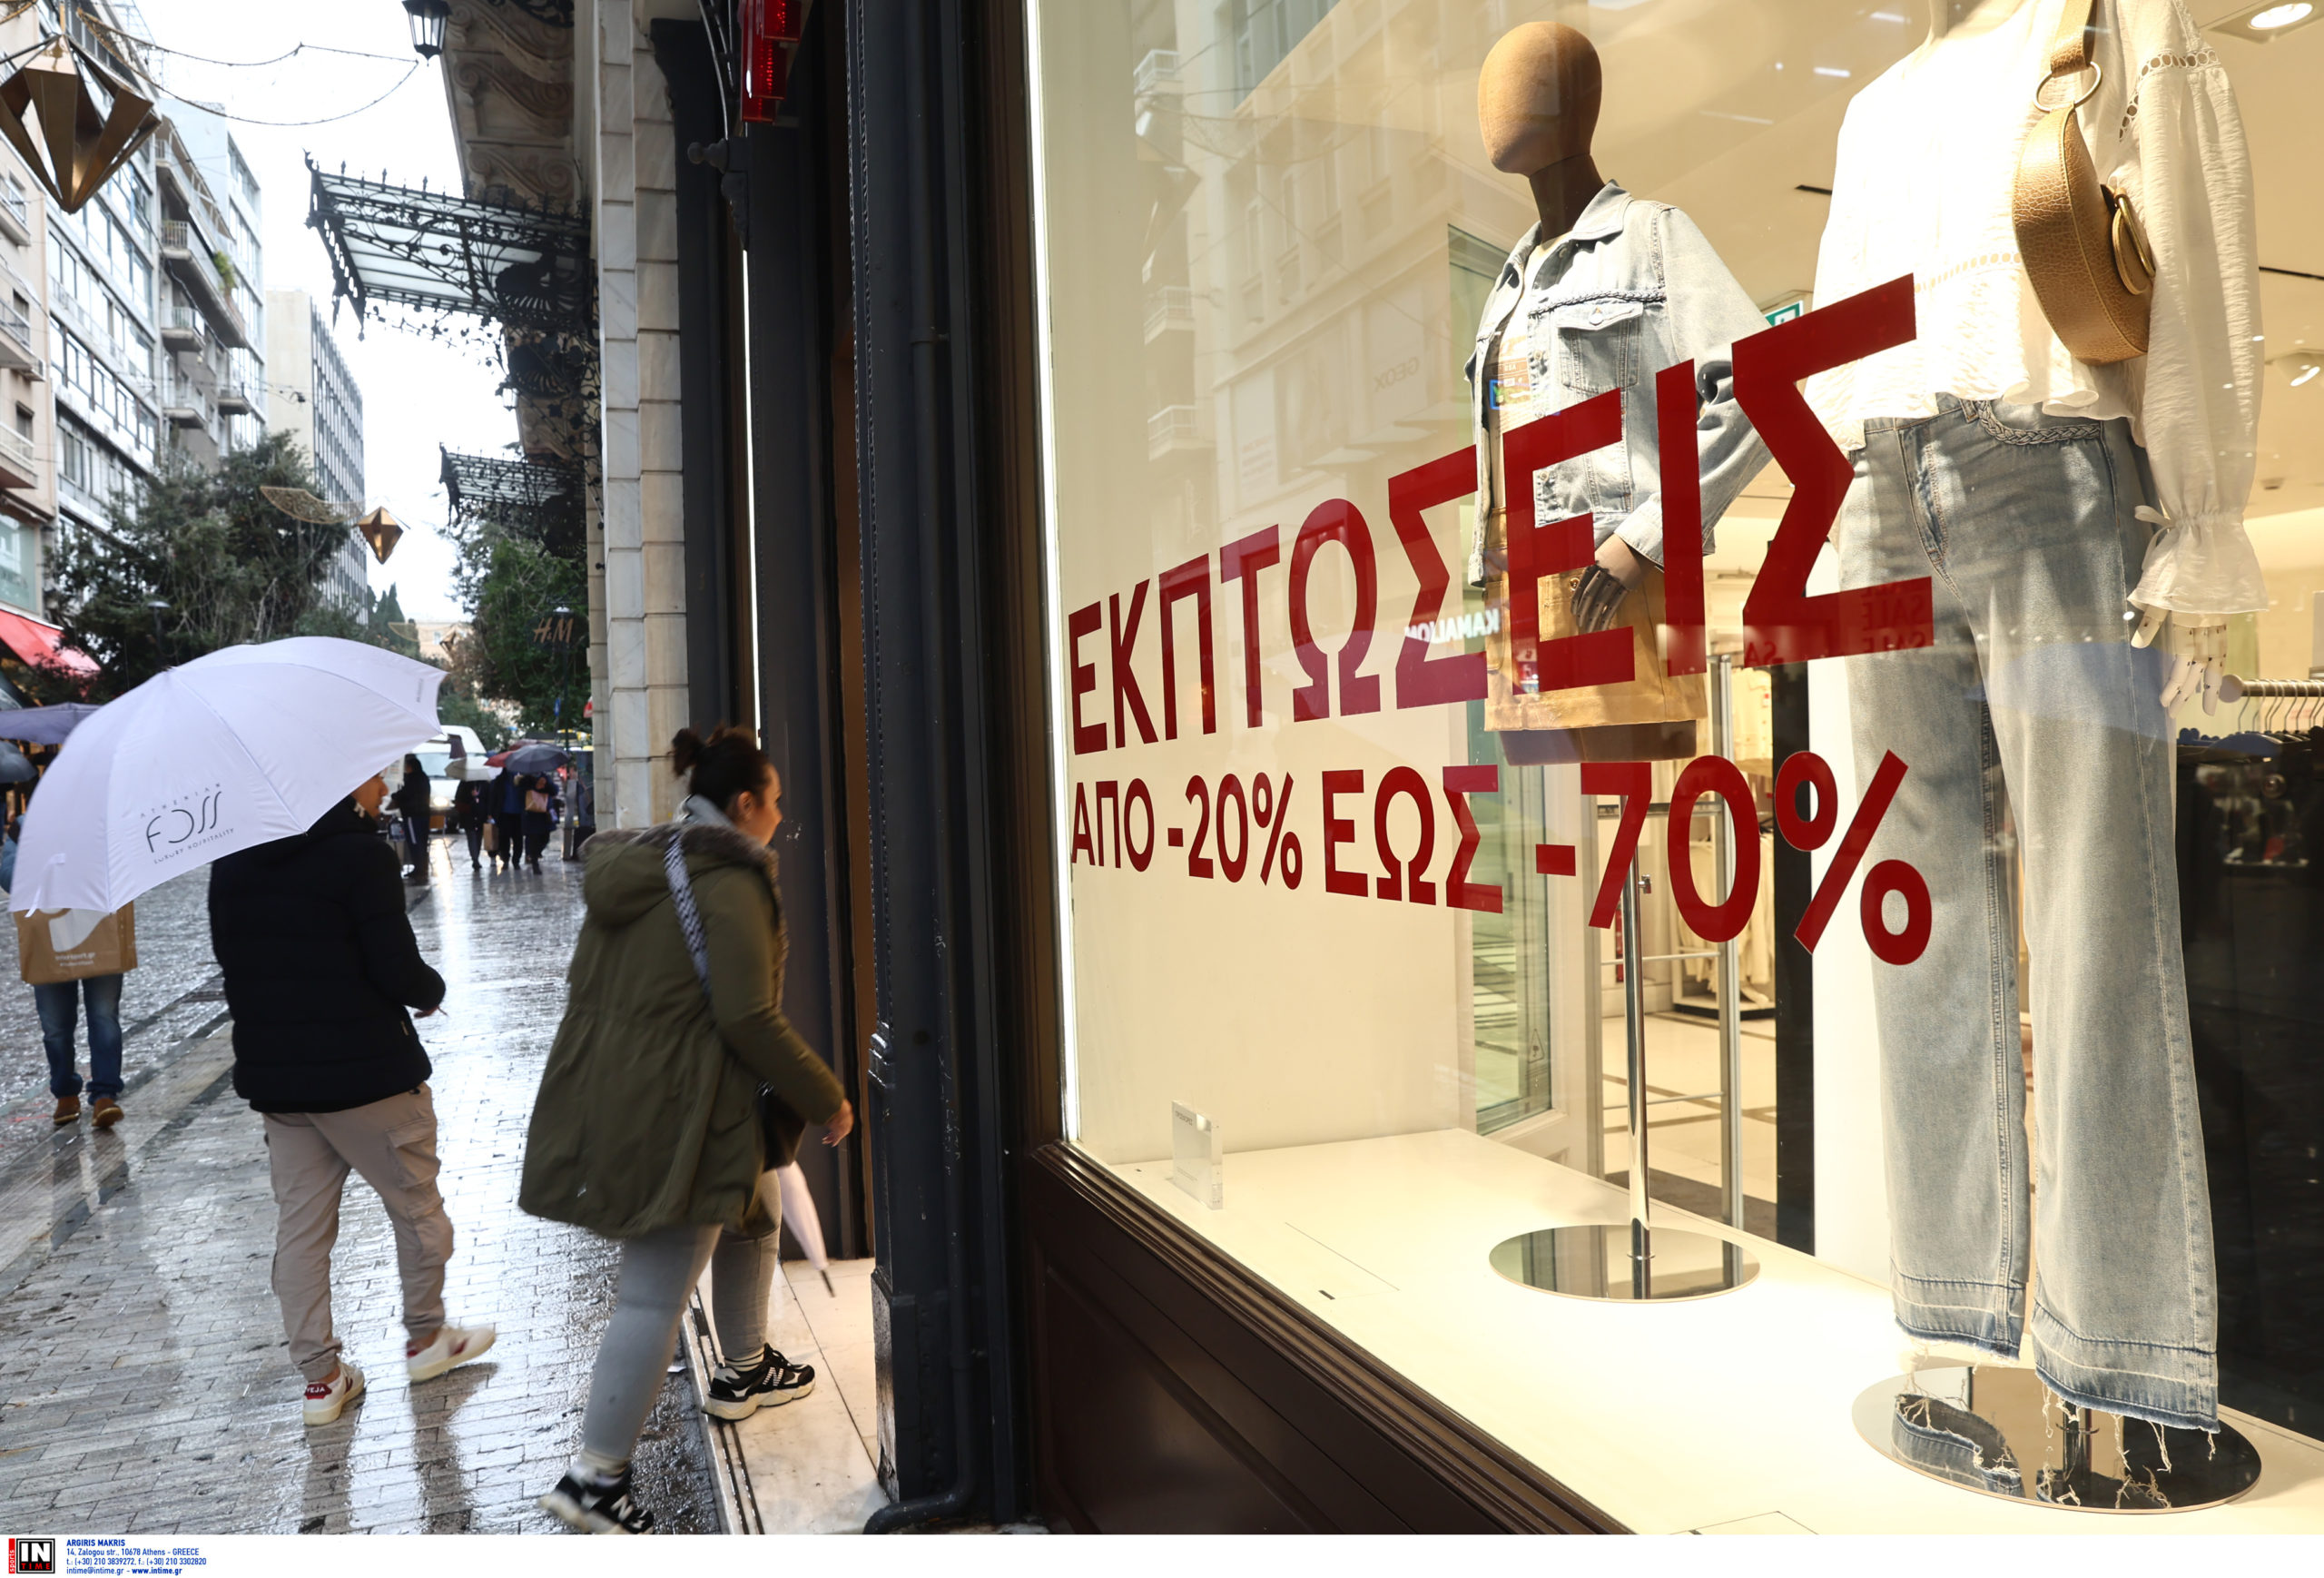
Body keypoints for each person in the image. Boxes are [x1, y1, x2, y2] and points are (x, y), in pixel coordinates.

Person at [524, 726, 852, 1534]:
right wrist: (826, 1098)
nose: (780, 815)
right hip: (682, 1108)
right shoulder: (729, 879)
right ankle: (595, 1478)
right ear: (744, 804)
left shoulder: (643, 864)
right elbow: (747, 1016)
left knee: (756, 1205)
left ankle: (744, 1366)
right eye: (775, 801)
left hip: (628, 1088)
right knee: (652, 1295)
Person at [208, 772, 495, 1427]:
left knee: (301, 1232)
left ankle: (321, 1380)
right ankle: (428, 1338)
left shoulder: (233, 861)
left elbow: (234, 962)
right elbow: (396, 967)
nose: (383, 783)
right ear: (336, 779)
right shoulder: (360, 856)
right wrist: (430, 991)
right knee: (418, 1211)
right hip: (369, 1079)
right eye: (373, 772)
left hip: (282, 1084)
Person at [2, 832, 129, 1129]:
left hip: (99, 927)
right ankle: (65, 1092)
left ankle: (105, 1094)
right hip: (49, 937)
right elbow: (9, 877)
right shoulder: (25, 827)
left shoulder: (104, 825)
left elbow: (125, 868)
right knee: (55, 1026)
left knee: (104, 1015)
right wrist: (50, 866)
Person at [394, 754, 433, 886]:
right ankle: (420, 869)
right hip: (423, 814)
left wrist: (395, 796)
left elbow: (406, 794)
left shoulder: (413, 780)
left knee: (415, 843)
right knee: (421, 842)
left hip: (412, 815)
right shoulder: (423, 778)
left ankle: (420, 870)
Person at [451, 777, 488, 871]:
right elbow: (459, 798)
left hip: (481, 815)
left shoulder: (484, 783)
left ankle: (476, 856)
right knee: (472, 837)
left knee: (478, 837)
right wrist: (470, 796)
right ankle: (475, 859)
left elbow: (488, 798)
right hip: (468, 815)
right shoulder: (465, 783)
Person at [521, 773, 555, 872]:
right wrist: (534, 786)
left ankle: (535, 854)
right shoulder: (526, 780)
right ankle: (534, 860)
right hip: (531, 814)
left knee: (545, 838)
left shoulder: (545, 778)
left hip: (544, 814)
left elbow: (554, 791)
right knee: (532, 838)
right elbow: (521, 793)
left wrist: (545, 785)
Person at [492, 766, 524, 873]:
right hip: (504, 814)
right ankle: (506, 859)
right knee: (504, 839)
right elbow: (494, 797)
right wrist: (492, 813)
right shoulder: (500, 780)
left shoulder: (521, 779)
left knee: (518, 839)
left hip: (518, 814)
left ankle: (516, 860)